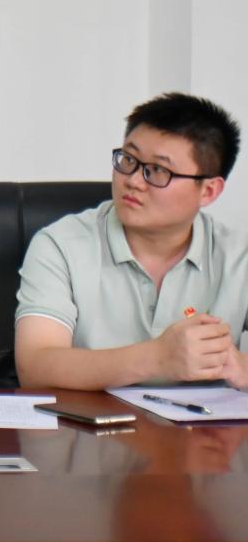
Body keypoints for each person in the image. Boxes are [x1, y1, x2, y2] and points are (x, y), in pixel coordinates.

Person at [14, 92, 248, 390]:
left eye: (158, 170)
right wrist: (158, 358)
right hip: (90, 421)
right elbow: (35, 366)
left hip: (205, 422)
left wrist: (241, 368)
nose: (133, 181)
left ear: (209, 191)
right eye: (128, 160)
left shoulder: (239, 256)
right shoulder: (60, 245)